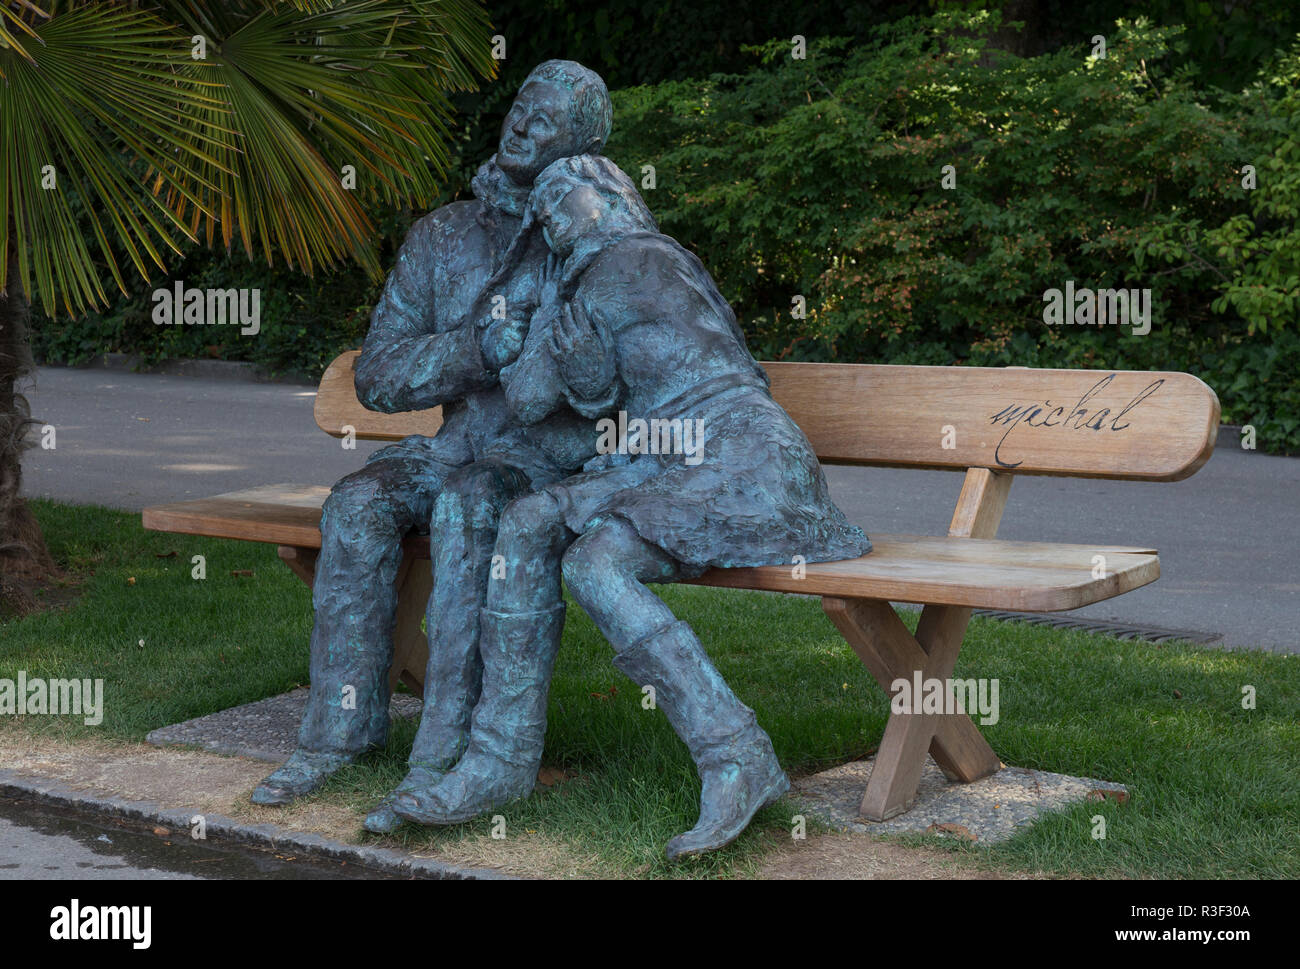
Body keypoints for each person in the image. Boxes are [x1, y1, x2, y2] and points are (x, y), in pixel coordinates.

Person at [386, 155, 871, 859]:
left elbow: (527, 395)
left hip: (745, 456)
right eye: (539, 209)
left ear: (610, 193)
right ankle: (498, 761)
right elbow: (602, 394)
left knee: (592, 562)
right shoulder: (609, 272)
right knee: (534, 528)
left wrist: (540, 343)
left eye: (562, 197)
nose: (548, 214)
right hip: (665, 455)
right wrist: (584, 381)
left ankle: (734, 753)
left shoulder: (635, 260)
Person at [252, 62, 614, 811]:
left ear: (576, 147)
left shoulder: (589, 238)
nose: (521, 125)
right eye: (520, 108)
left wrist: (573, 369)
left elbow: (620, 382)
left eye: (545, 121)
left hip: (546, 461)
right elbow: (378, 376)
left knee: (469, 504)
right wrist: (475, 349)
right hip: (453, 447)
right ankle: (336, 737)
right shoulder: (443, 235)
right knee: (355, 504)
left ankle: (447, 753)